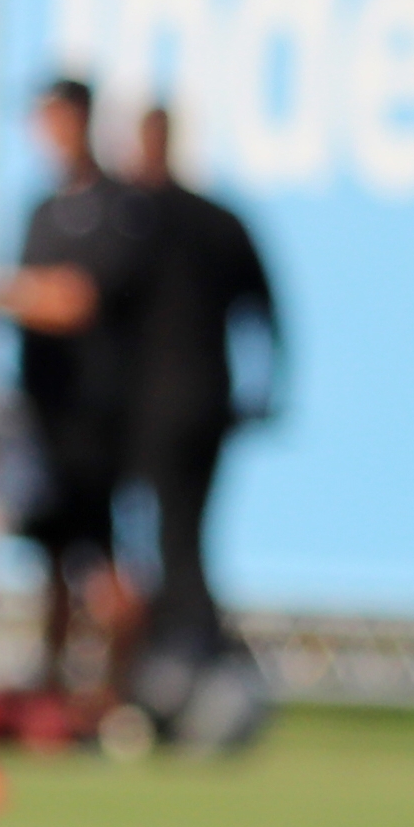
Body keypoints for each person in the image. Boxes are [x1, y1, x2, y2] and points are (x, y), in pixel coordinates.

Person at [120, 103, 279, 733]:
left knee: (173, 539)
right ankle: (182, 656)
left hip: (164, 407)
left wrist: (264, 387)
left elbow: (265, 312)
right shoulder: (213, 220)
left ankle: (187, 664)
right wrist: (265, 389)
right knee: (173, 540)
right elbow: (268, 314)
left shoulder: (143, 221)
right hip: (195, 404)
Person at [0, 76, 153, 702]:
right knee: (53, 560)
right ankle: (52, 696)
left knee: (107, 561)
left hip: (99, 415)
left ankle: (118, 695)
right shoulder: (42, 209)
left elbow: (74, 299)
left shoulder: (119, 208)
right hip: (46, 412)